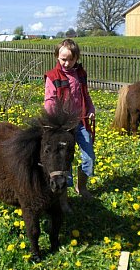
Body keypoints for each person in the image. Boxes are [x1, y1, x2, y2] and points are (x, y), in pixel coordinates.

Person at [44, 39, 95, 213]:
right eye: (63, 59)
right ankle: (63, 200)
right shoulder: (53, 77)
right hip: (63, 126)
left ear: (76, 58)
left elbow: (85, 95)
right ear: (57, 57)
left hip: (80, 122)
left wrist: (91, 109)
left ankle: (81, 187)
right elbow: (49, 101)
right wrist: (52, 123)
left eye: (70, 60)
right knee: (65, 162)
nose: (66, 63)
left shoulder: (80, 74)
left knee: (89, 157)